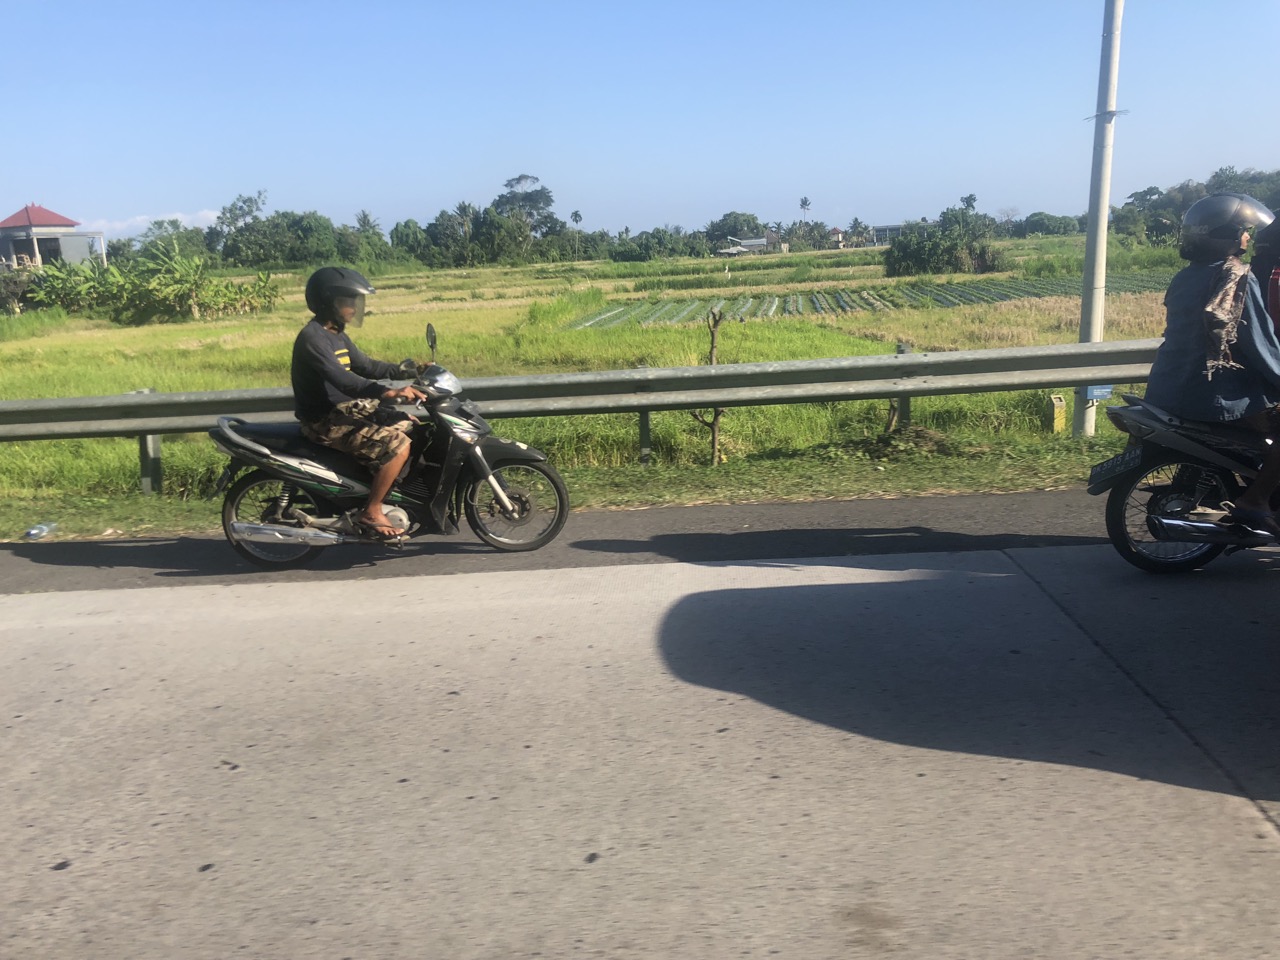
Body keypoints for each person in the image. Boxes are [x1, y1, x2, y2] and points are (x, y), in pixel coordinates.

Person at [1143, 193, 1280, 531]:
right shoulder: (1237, 278)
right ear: (1227, 236)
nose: (1248, 237)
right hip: (1212, 393)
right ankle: (1255, 500)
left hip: (1169, 386)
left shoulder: (1185, 276)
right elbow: (1259, 342)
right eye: (1243, 230)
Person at [291, 266, 427, 539]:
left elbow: (367, 366)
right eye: (347, 301)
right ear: (327, 301)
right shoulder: (312, 338)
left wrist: (411, 370)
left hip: (344, 412)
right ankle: (372, 510)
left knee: (410, 423)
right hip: (325, 421)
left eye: (355, 301)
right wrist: (386, 392)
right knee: (398, 447)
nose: (353, 307)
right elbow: (343, 380)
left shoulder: (336, 334)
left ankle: (379, 490)